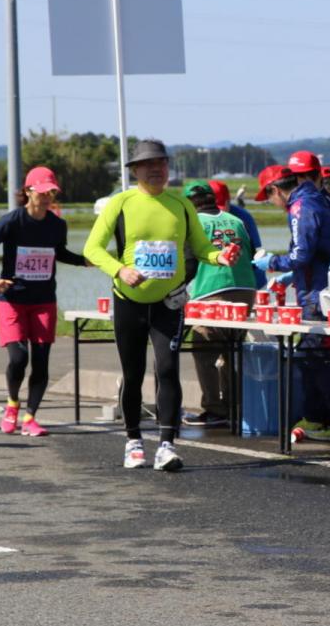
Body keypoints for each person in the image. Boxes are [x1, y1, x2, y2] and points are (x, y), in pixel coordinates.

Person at [84, 139, 234, 471]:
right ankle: (133, 440)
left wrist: (220, 256)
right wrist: (120, 270)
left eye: (162, 164)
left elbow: (202, 246)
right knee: (133, 373)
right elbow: (92, 249)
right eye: (149, 165)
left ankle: (167, 444)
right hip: (129, 302)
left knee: (167, 369)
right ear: (135, 170)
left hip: (169, 303)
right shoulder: (120, 203)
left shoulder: (181, 205)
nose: (156, 170)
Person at [0, 167, 88, 437]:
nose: (47, 197)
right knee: (18, 357)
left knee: (42, 361)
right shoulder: (12, 221)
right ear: (28, 191)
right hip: (12, 299)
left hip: (44, 300)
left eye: (52, 192)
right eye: (42, 191)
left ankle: (31, 417)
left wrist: (85, 260)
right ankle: (12, 404)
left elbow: (59, 253)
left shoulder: (57, 224)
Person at [253, 156, 330, 438]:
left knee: (318, 357)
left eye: (268, 197)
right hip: (318, 289)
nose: (271, 203)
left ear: (276, 190)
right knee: (311, 356)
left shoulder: (300, 207)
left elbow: (301, 255)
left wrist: (272, 263)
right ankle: (318, 417)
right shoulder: (317, 200)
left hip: (318, 295)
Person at [182, 182, 258, 428]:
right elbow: (252, 251)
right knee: (232, 349)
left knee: (204, 349)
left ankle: (215, 409)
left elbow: (189, 262)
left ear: (189, 203)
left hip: (213, 290)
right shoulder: (235, 221)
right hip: (246, 289)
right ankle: (236, 406)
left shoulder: (195, 223)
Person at [208, 179, 265, 289]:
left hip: (245, 281)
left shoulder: (243, 218)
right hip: (214, 281)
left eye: (221, 206)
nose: (218, 213)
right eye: (213, 207)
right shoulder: (201, 217)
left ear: (228, 201)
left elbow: (255, 253)